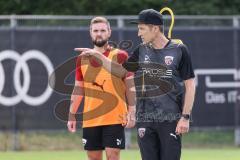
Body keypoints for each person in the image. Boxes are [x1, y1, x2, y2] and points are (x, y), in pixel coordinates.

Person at [76, 9, 196, 160]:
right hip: (145, 119)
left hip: (170, 119)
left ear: (155, 28)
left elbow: (190, 86)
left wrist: (185, 117)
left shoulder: (179, 50)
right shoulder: (141, 49)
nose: (139, 33)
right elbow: (120, 71)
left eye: (142, 29)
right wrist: (99, 56)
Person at [68, 16, 136, 160]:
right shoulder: (82, 58)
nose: (99, 33)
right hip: (91, 118)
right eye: (96, 30)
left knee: (113, 155)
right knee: (93, 157)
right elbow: (78, 89)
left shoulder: (120, 56)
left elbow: (130, 85)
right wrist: (71, 114)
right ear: (90, 32)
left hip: (115, 117)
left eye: (103, 30)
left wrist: (132, 111)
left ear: (109, 32)